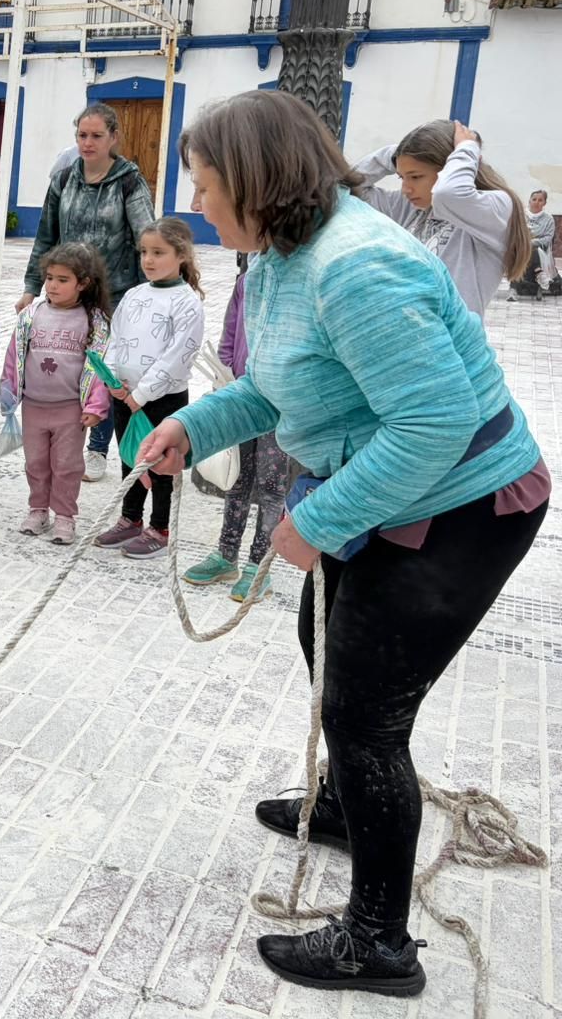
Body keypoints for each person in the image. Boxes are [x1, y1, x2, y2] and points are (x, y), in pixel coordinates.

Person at [141, 89, 548, 1000]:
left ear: (255, 182)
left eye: (207, 186)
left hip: (467, 507)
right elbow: (283, 384)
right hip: (395, 487)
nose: (198, 205)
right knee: (323, 647)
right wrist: (197, 427)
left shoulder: (355, 266)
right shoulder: (284, 254)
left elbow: (435, 421)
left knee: (365, 717)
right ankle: (338, 810)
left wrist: (318, 520)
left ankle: (379, 943)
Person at [18, 103, 155, 485]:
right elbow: (46, 236)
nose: (88, 142)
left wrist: (157, 291)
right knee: (68, 364)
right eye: (82, 135)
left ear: (113, 138)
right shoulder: (63, 180)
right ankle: (68, 438)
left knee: (102, 369)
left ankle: (98, 448)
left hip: (115, 295)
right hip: (68, 292)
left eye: (96, 135)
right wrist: (32, 287)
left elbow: (148, 237)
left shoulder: (129, 181)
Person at [94, 217, 205, 560]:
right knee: (131, 457)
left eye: (159, 252)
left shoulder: (187, 302)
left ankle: (160, 527)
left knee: (160, 463)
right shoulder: (133, 295)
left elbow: (176, 357)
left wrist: (140, 395)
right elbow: (116, 339)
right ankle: (130, 518)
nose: (149, 260)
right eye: (144, 252)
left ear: (181, 255)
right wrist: (113, 379)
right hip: (124, 396)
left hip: (161, 399)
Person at [183, 251, 290, 602]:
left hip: (280, 404)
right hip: (240, 394)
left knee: (272, 485)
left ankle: (259, 567)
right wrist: (222, 376)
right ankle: (226, 555)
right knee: (236, 478)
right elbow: (230, 333)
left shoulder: (296, 285)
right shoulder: (245, 282)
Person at [0, 242, 112, 545]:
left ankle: (64, 515)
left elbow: (100, 366)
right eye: (49, 278)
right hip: (33, 406)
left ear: (83, 283)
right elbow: (14, 355)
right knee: (35, 462)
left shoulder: (94, 321)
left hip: (70, 409)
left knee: (67, 465)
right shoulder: (31, 314)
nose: (53, 285)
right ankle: (38, 509)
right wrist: (7, 390)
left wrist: (96, 405)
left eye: (63, 280)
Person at [352, 120, 530, 318]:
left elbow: (448, 194)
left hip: (451, 344)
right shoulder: (413, 208)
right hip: (406, 339)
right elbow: (350, 188)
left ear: (450, 168)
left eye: (416, 176)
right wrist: (397, 154)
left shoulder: (496, 208)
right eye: (402, 177)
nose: (406, 189)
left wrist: (467, 148)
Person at [525, 189, 554, 292]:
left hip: (540, 249)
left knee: (532, 247)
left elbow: (547, 239)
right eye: (534, 199)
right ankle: (539, 273)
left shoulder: (548, 219)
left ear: (544, 203)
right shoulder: (521, 215)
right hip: (520, 248)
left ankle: (539, 273)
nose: (536, 202)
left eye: (540, 200)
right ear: (529, 201)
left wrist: (532, 242)